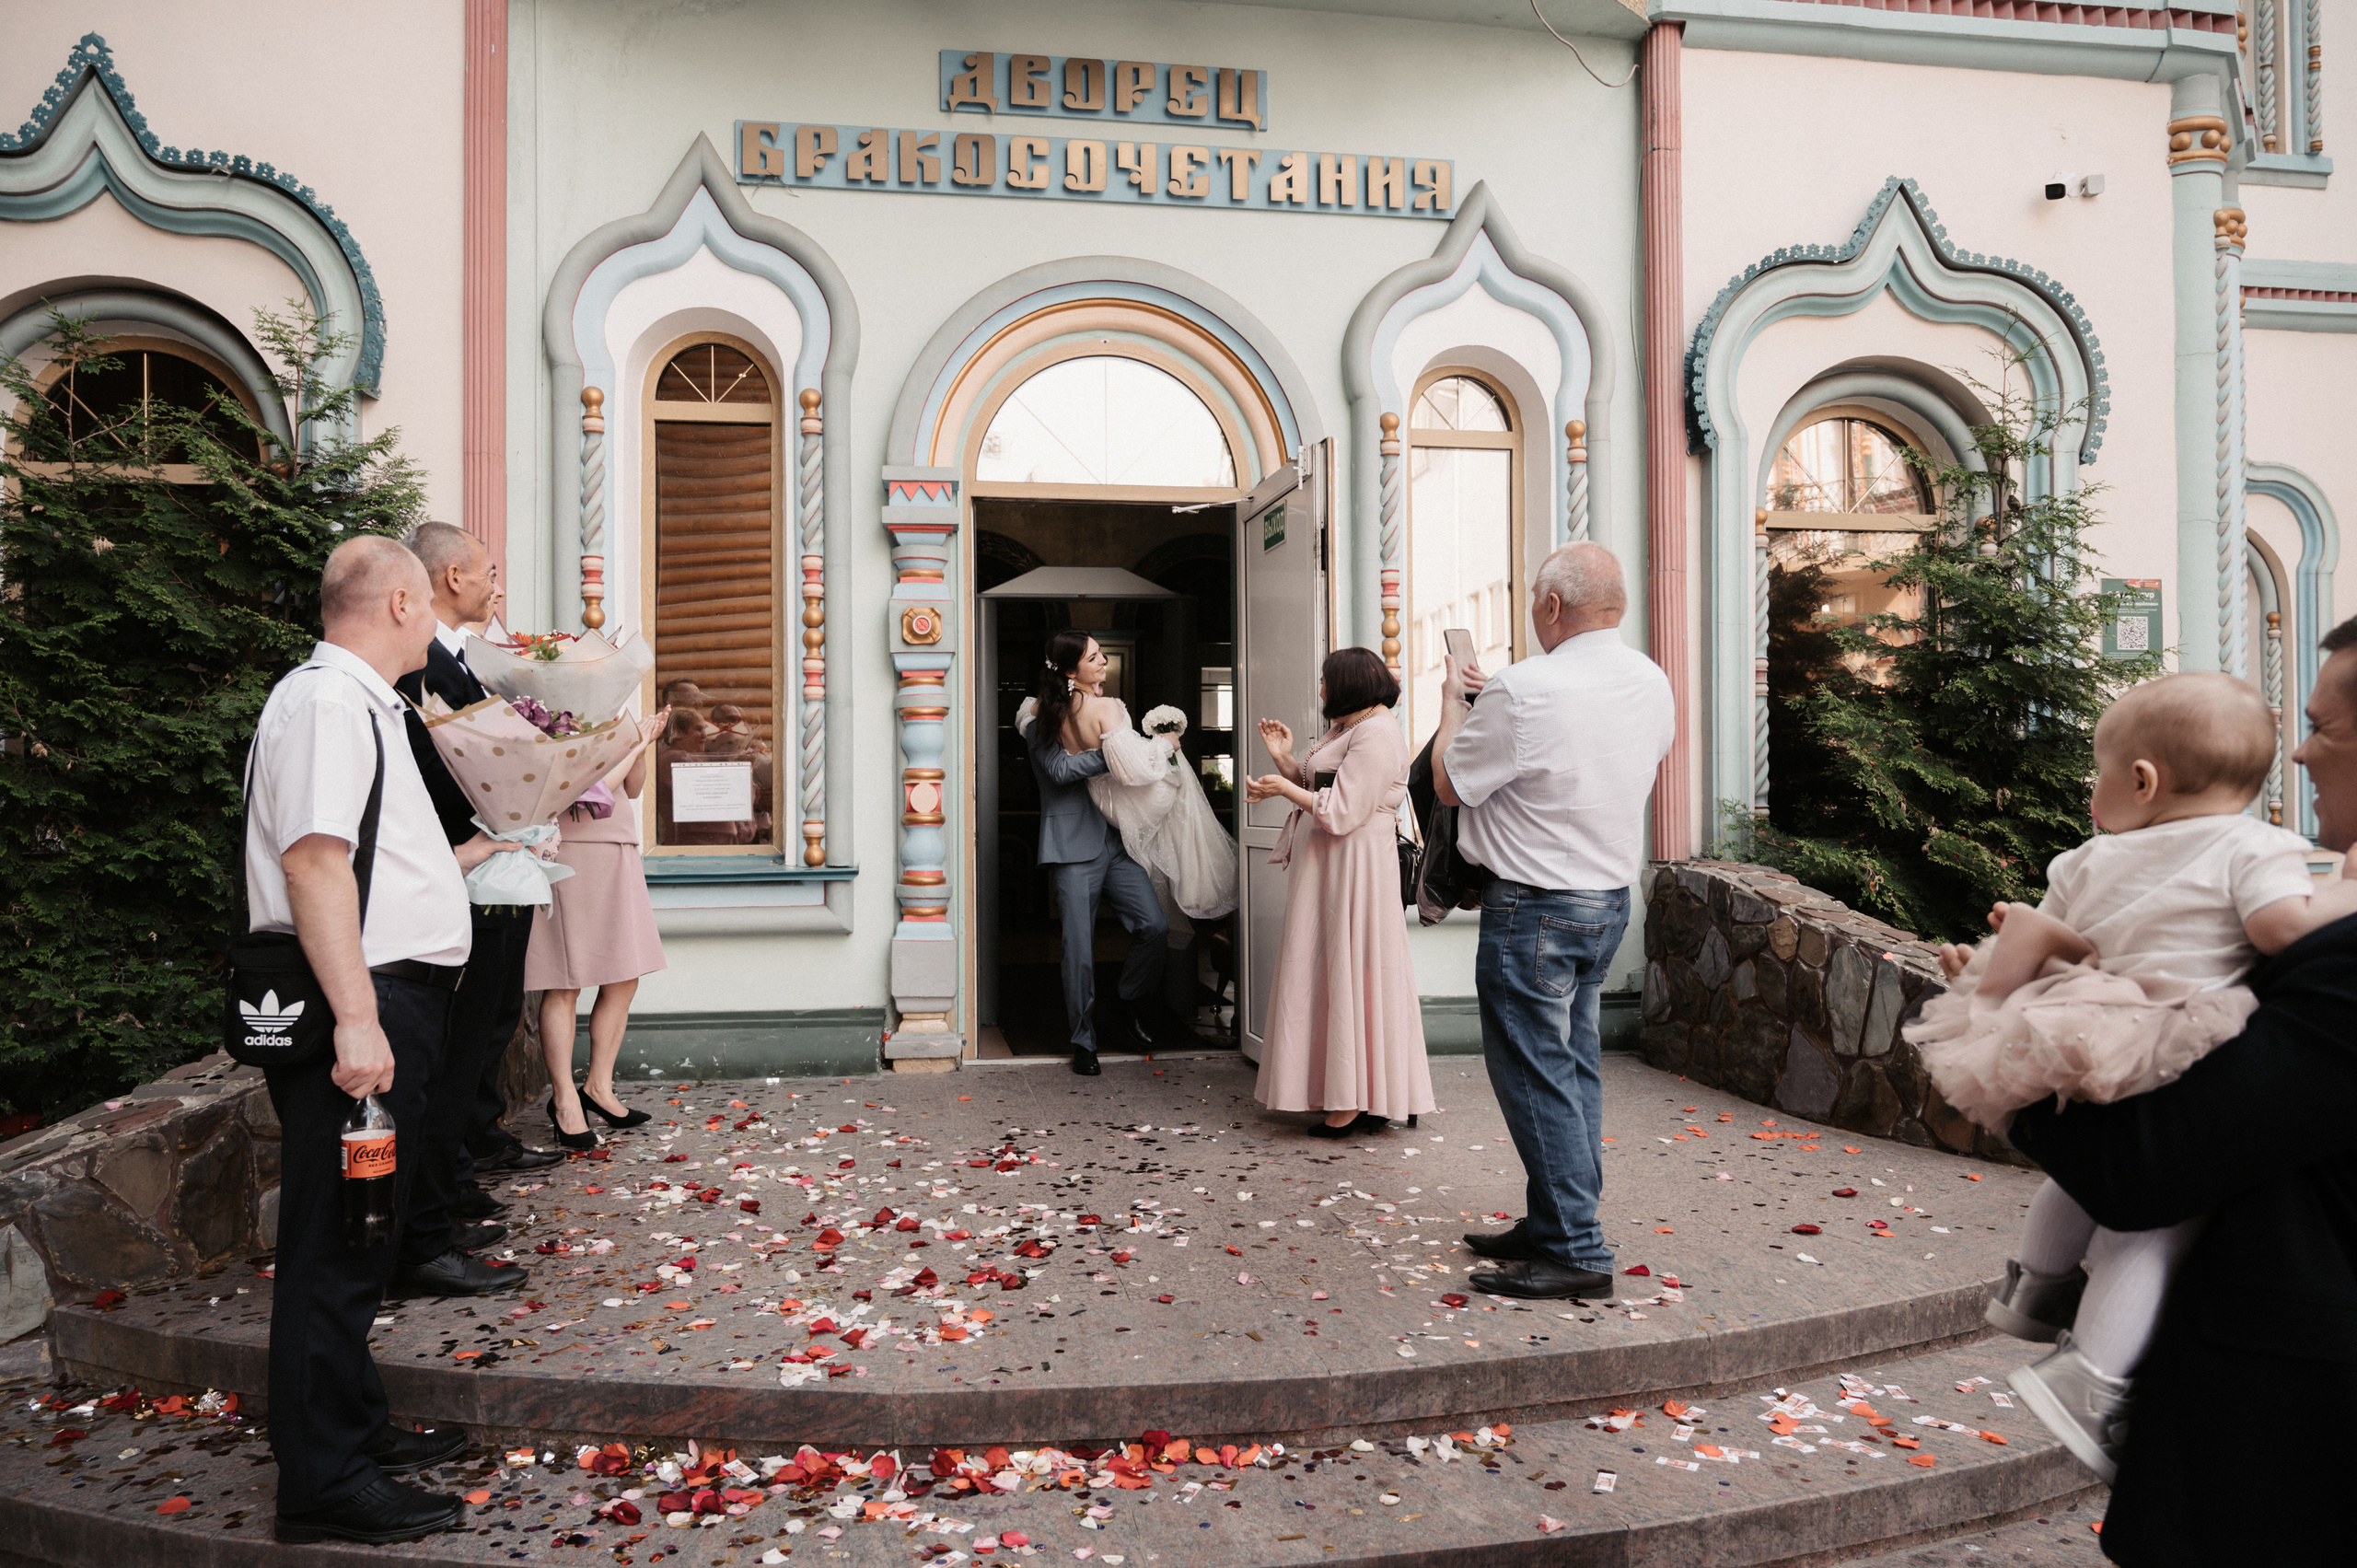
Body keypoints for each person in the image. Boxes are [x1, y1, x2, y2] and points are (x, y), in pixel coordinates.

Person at [1903, 672, 2357, 1479]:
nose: (2093, 789)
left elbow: (2053, 939)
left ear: (2141, 780)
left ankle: (2034, 1286)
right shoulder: (2261, 847)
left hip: (2085, 1022)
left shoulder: (2082, 858)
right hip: (2178, 1035)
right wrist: (2347, 892)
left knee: (2082, 1178)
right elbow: (2283, 927)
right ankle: (2093, 1374)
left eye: (2097, 773)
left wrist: (1993, 981)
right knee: (2155, 1220)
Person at [2009, 622, 2357, 1566]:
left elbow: (2144, 1165)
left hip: (2285, 1445)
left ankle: (2060, 1328)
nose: (2293, 749)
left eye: (2322, 725)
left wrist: (2003, 1051)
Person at [247, 537, 526, 1544]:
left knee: (362, 1236)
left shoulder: (362, 701)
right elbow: (316, 862)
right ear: (406, 597)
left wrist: (471, 854)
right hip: (357, 1003)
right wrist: (359, 1019)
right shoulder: (327, 701)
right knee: (334, 1244)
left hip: (387, 993)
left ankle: (353, 1428)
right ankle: (324, 1480)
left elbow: (376, 857)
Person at [1434, 542, 1674, 1300]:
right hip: (1605, 901)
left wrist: (1452, 701)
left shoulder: (1523, 687)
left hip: (1533, 908)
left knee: (1537, 1079)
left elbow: (1447, 783)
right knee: (1573, 1069)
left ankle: (1575, 1246)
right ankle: (1552, 1220)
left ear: (1550, 606)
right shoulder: (1651, 680)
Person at [393, 524, 562, 1305]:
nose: (498, 585)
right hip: (460, 875)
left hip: (491, 864)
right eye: (490, 572)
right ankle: (432, 1216)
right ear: (453, 575)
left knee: (477, 1039)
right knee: (450, 1055)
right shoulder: (418, 668)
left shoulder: (460, 664)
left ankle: (449, 1189)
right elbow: (439, 777)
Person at [1247, 647, 1433, 1136]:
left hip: (1355, 866)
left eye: (1327, 681)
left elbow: (1342, 811)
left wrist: (1283, 791)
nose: (1322, 689)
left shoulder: (1377, 731)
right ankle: (1351, 1089)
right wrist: (1286, 762)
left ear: (1349, 684)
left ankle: (1356, 1099)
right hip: (1331, 865)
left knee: (1354, 967)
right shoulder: (1349, 726)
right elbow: (1320, 785)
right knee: (1330, 967)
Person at [1019, 631, 1168, 1073]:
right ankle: (1083, 1041)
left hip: (1116, 842)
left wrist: (1132, 750)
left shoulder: (1104, 710)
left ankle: (1126, 999)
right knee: (1078, 950)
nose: (1103, 660)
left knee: (1154, 926)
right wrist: (1114, 753)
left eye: (1103, 653)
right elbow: (1060, 770)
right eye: (1094, 656)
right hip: (1071, 847)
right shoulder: (1036, 719)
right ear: (1070, 671)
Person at [530, 711, 669, 1149]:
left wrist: (641, 744)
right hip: (575, 848)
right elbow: (588, 793)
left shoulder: (610, 718)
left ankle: (599, 1087)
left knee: (623, 977)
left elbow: (633, 786)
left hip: (617, 846)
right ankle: (566, 1100)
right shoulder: (548, 722)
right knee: (565, 981)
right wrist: (634, 744)